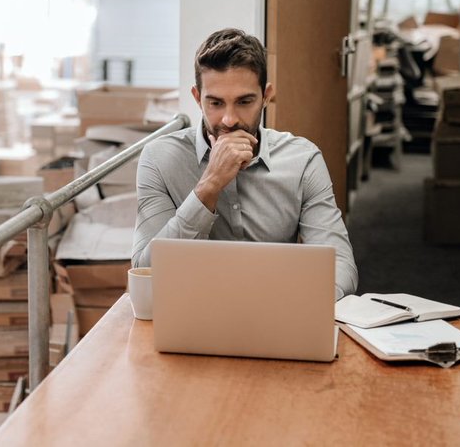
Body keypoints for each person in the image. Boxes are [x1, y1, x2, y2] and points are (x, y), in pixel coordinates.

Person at [132, 28, 358, 299]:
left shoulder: (303, 160)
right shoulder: (159, 159)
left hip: (279, 312)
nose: (229, 119)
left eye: (244, 101)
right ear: (197, 98)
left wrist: (298, 304)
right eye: (215, 103)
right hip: (192, 313)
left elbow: (341, 267)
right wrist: (209, 186)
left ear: (266, 96)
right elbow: (147, 273)